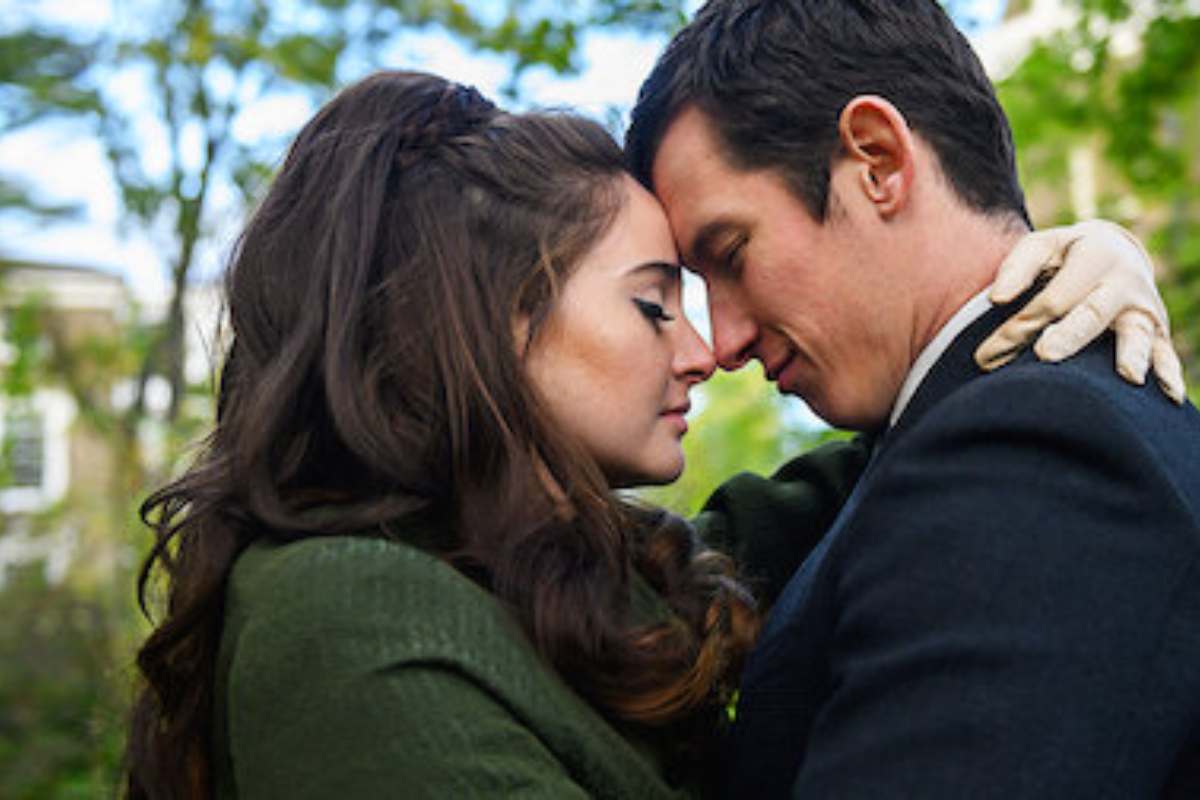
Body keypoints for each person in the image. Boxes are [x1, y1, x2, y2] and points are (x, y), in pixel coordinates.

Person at [124, 70, 1180, 799]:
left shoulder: (587, 578)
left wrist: (1057, 275)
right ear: (489, 325)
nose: (706, 349)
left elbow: (935, 461)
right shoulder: (348, 611)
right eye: (654, 302)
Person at [626, 0, 1200, 797]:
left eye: (731, 254)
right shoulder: (960, 439)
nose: (722, 343)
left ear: (878, 160)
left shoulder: (1031, 450)